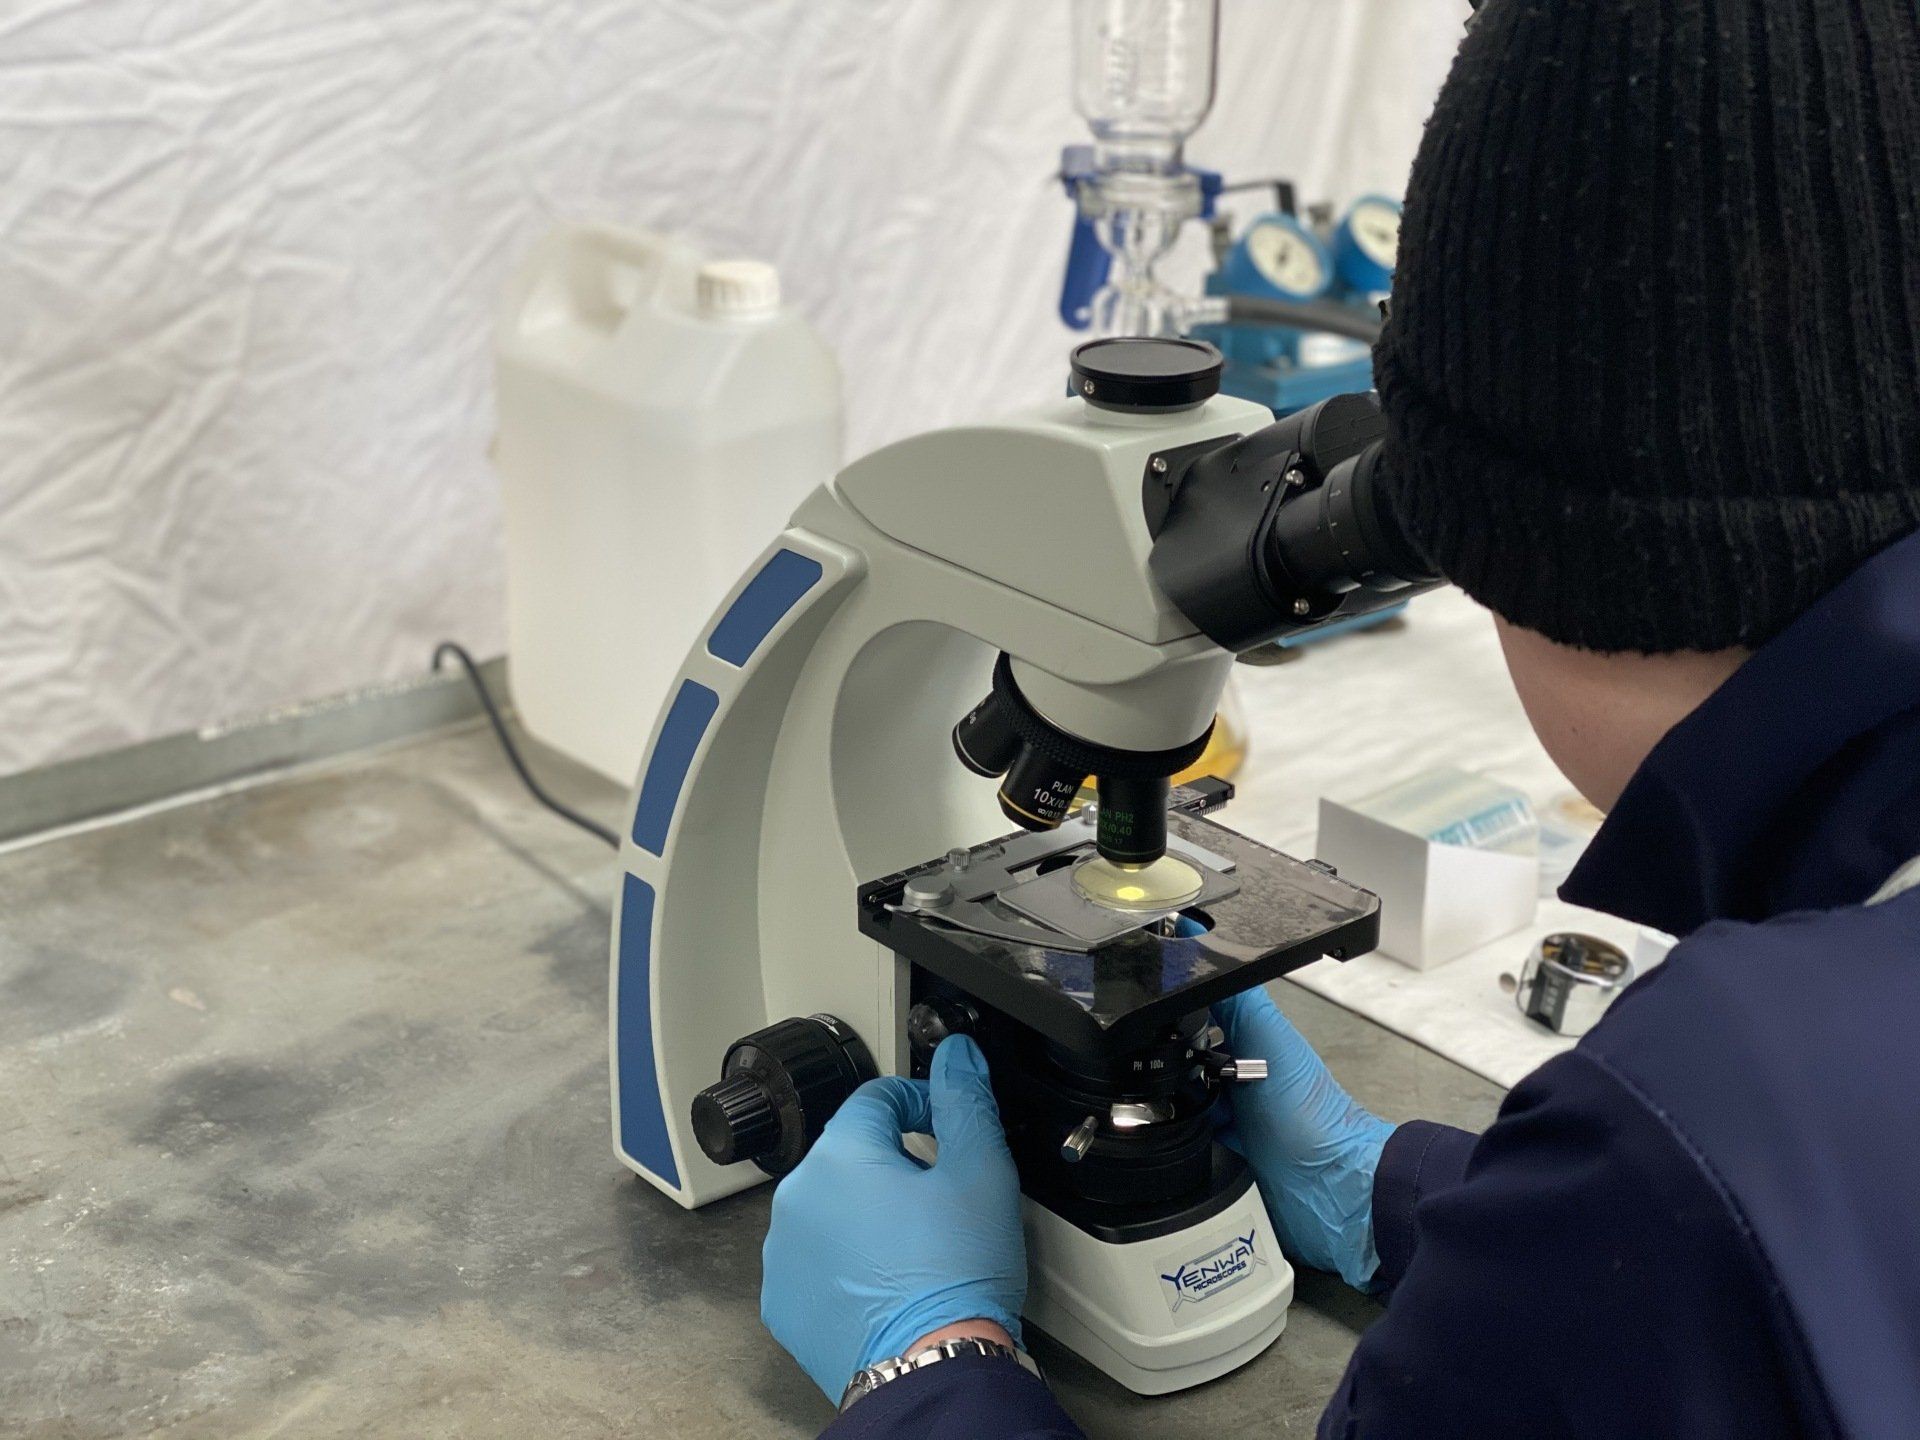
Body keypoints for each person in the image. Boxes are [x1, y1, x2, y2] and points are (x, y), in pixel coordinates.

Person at [759, 1, 1920, 1434]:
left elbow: (1703, 1233)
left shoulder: (1706, 1127)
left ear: (1540, 553)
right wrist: (1402, 1191)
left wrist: (926, 1367)